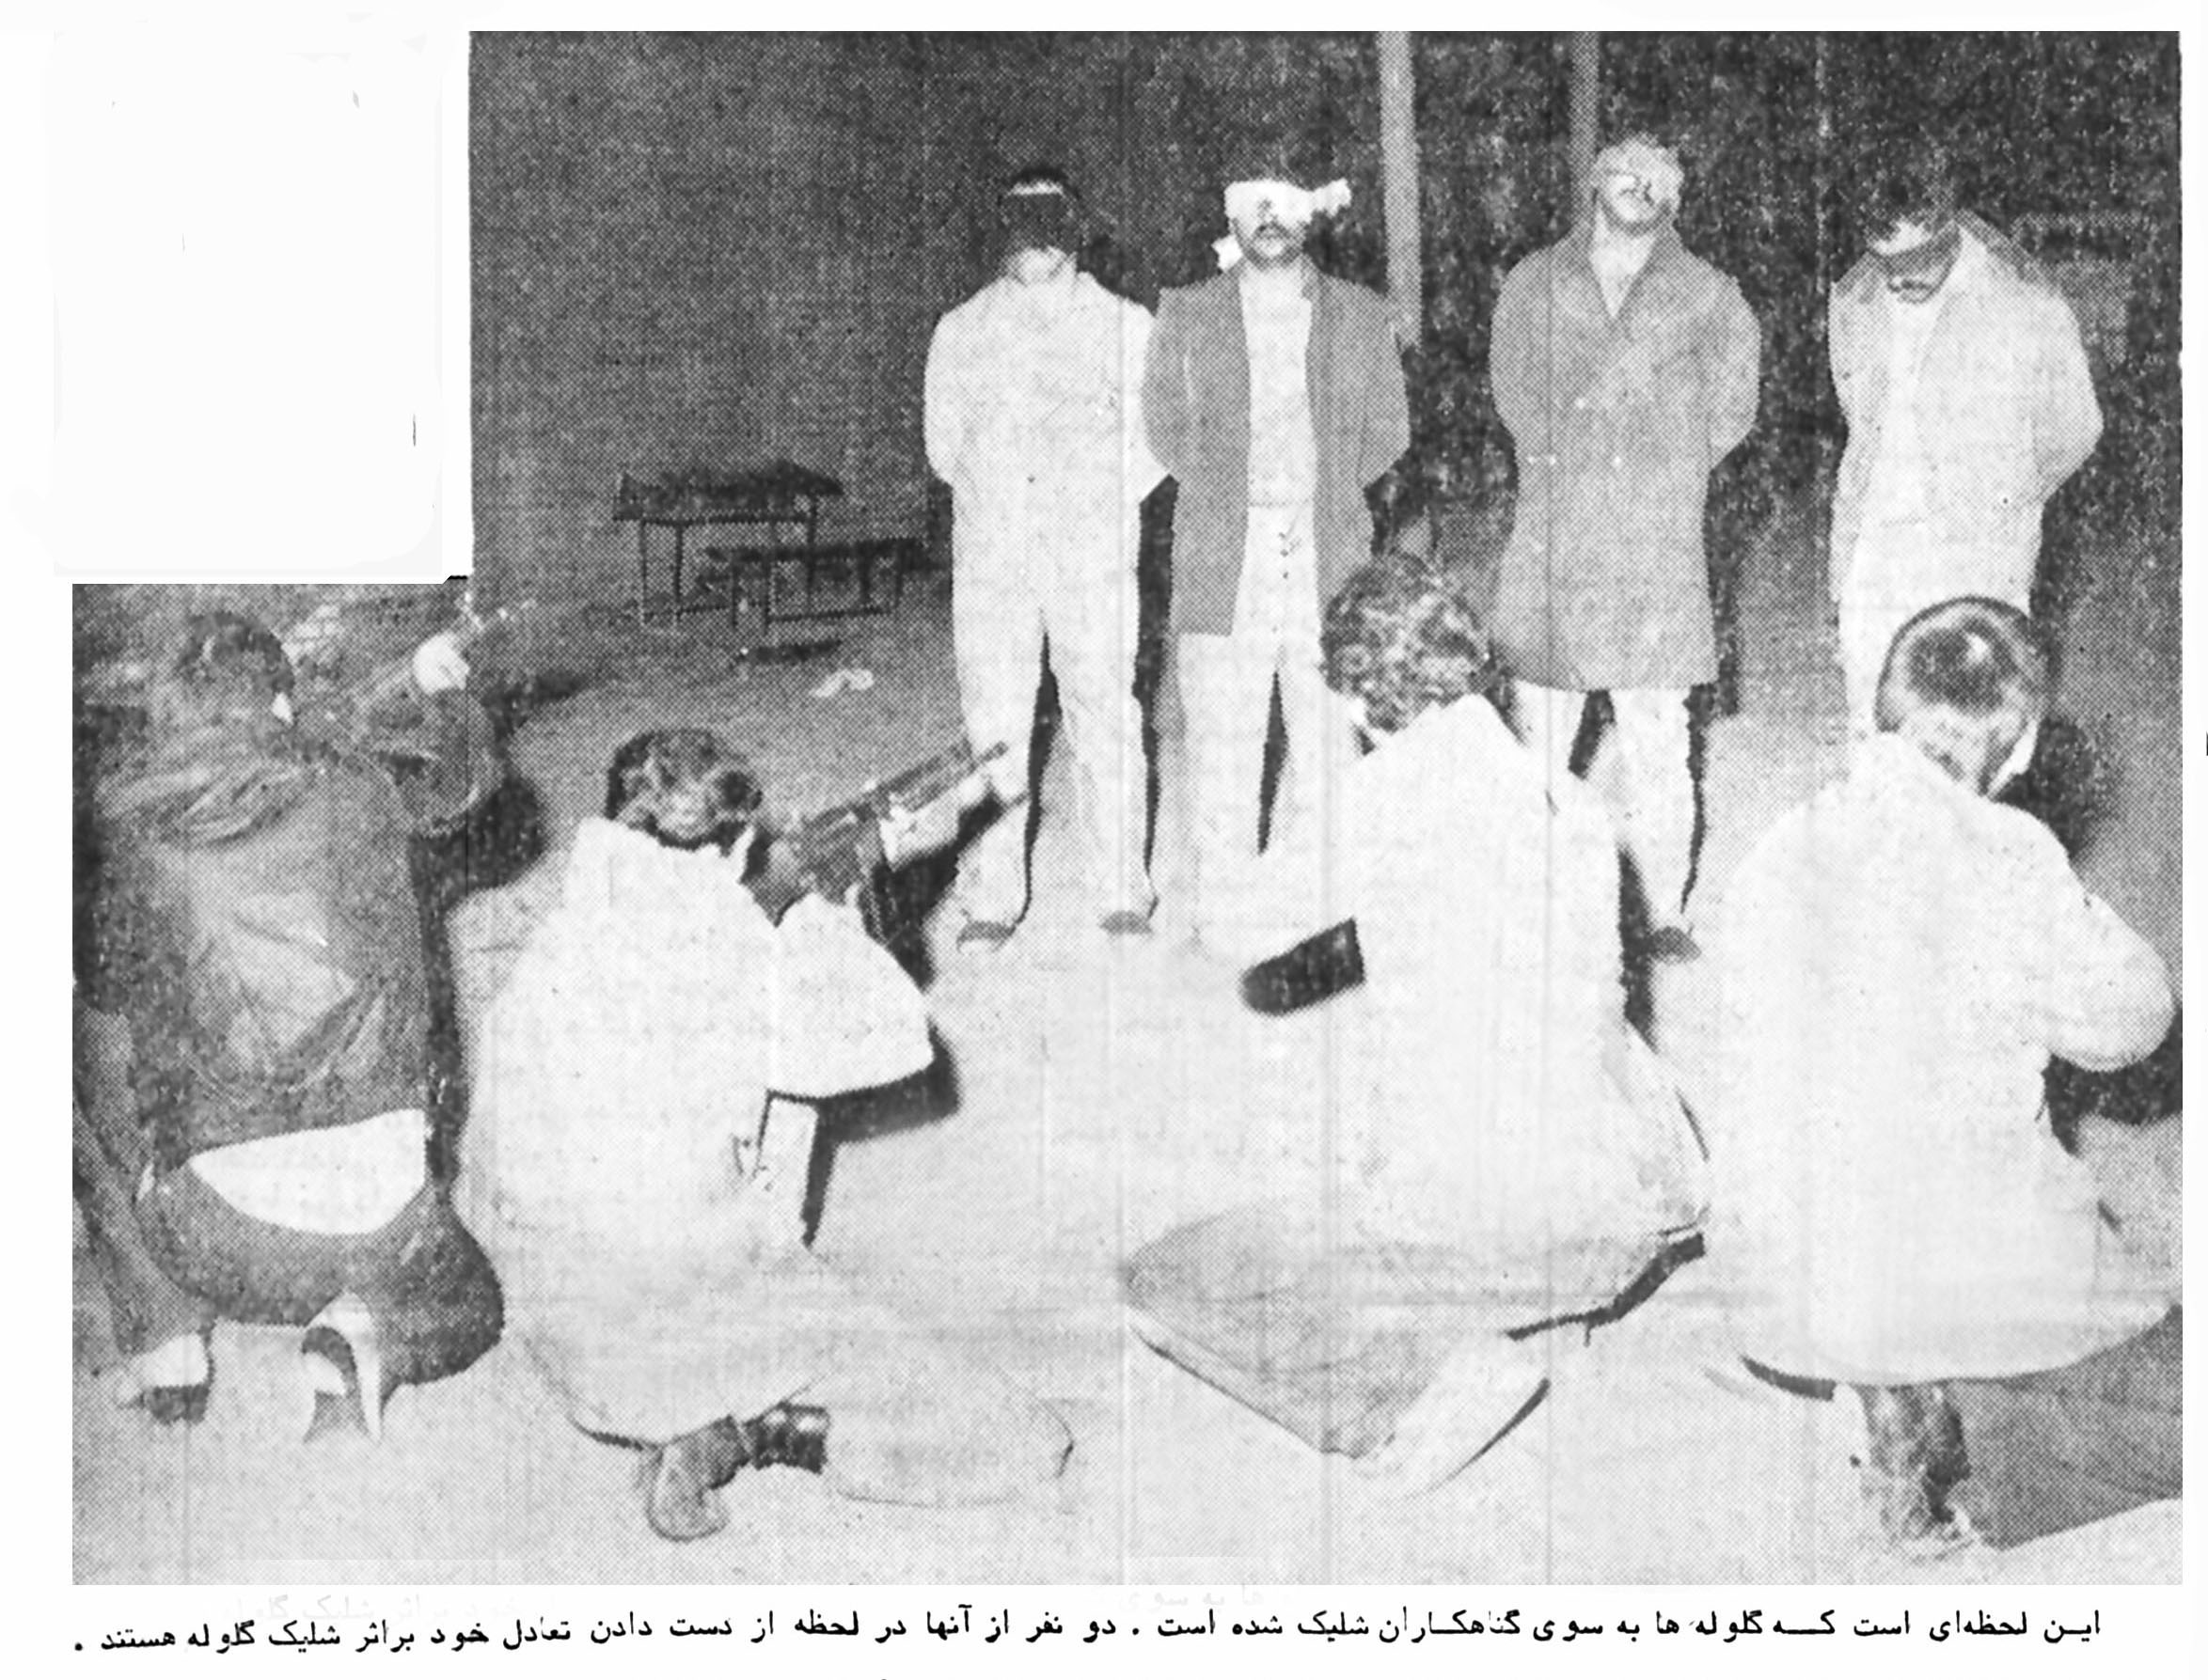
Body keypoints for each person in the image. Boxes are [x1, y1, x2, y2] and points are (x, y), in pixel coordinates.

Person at [1125, 562, 1706, 1493]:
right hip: (1631, 1203)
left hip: (1486, 1223)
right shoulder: (1567, 796)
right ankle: (1551, 1327)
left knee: (1162, 1280)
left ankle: (1415, 1389)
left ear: (1355, 695)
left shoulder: (1380, 798)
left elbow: (1237, 931)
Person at [457, 730, 1073, 1542]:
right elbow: (896, 1037)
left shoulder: (563, 924)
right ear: (735, 846)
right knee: (1026, 1440)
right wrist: (828, 912)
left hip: (554, 1318)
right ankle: (749, 1426)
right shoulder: (740, 951)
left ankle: (713, 1375)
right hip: (671, 1316)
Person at [1713, 598, 2176, 1551]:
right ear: (2021, 743)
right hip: (1952, 1260)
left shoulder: (1777, 847)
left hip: (1788, 1276)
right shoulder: (2013, 856)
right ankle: (1984, 1461)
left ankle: (1908, 1415)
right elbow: (2134, 1019)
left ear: (1881, 712)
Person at [74, 608, 502, 1437]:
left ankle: (163, 1330)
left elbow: (114, 1028)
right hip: (388, 1218)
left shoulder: (123, 835)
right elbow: (463, 783)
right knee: (472, 1302)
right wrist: (447, 697)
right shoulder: (360, 788)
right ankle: (368, 1324)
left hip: (222, 1246)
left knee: (84, 1023)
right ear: (280, 703)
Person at [1488, 133, 1761, 960]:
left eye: (1656, 181)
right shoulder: (1535, 280)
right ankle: (1532, 895)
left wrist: (1667, 467)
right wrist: (1565, 452)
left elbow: (1734, 406)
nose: (1637, 187)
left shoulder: (1710, 294)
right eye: (1622, 174)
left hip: (1655, 541)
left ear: (1673, 201)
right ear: (1594, 183)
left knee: (1658, 736)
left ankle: (1661, 908)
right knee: (1539, 728)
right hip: (1558, 531)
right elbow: (1511, 387)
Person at [1142, 148, 1410, 951]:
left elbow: (1389, 432)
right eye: (1253, 200)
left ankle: (1323, 913)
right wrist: (1236, 491)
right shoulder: (1187, 311)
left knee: (1328, 742)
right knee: (1224, 744)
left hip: (1326, 550)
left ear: (1311, 214)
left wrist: (1322, 491)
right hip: (1225, 553)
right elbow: (1162, 424)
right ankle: (1225, 919)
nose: (1269, 215)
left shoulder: (1360, 314)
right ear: (1232, 213)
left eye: (1285, 200)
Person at [923, 164, 1165, 948]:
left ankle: (1122, 889)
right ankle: (994, 898)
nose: (1035, 245)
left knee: (1106, 711)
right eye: (1018, 227)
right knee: (994, 722)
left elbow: (1155, 440)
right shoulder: (962, 330)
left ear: (1078, 232)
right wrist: (1004, 506)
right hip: (996, 561)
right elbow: (944, 448)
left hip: (1090, 556)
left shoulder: (1127, 326)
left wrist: (1094, 505)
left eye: (1050, 226)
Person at [1828, 144, 2102, 739]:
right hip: (1877, 546)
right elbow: (1861, 422)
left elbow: (2075, 428)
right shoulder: (1853, 298)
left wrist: (2007, 494)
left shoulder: (2026, 302)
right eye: (1884, 260)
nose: (1901, 278)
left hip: (1976, 549)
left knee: (1974, 733)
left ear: (1949, 220)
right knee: (1872, 723)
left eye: (1920, 257)